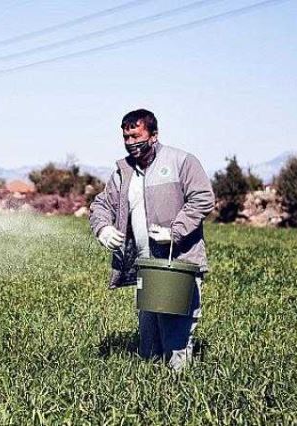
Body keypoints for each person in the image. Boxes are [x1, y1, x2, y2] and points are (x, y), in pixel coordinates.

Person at [89, 109, 215, 371]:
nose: (131, 142)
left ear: (154, 135)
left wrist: (176, 230)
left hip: (177, 264)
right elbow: (102, 203)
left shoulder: (182, 161)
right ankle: (151, 395)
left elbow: (203, 198)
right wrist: (102, 228)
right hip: (146, 266)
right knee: (149, 345)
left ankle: (181, 395)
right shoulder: (123, 172)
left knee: (177, 338)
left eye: (136, 136)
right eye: (126, 137)